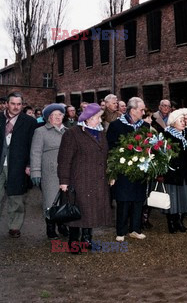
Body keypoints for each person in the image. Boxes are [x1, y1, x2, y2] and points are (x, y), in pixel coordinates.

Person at [57, 103, 112, 254]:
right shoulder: (72, 133)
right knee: (77, 211)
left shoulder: (100, 133)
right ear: (88, 118)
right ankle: (73, 243)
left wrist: (110, 174)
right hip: (80, 179)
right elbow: (64, 159)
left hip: (97, 179)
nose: (100, 121)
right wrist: (64, 180)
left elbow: (105, 155)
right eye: (98, 118)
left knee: (91, 211)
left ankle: (87, 240)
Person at [107, 97, 149, 241]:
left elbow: (148, 145)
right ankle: (121, 230)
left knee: (138, 199)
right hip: (123, 168)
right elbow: (111, 147)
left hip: (140, 168)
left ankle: (135, 229)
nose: (143, 112)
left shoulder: (145, 126)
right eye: (141, 110)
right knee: (123, 200)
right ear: (132, 110)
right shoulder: (116, 125)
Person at [0, 92, 37, 238]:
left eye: (19, 104)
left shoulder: (29, 122)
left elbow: (33, 146)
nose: (16, 107)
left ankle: (14, 226)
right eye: (13, 103)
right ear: (7, 104)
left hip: (18, 164)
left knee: (16, 198)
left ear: (22, 105)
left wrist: (29, 164)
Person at [30, 104, 69, 239]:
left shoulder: (68, 131)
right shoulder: (40, 132)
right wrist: (35, 172)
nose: (58, 117)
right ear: (48, 118)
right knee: (50, 201)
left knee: (65, 200)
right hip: (49, 172)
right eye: (55, 115)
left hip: (66, 172)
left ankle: (62, 224)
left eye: (60, 115)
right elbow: (35, 153)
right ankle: (50, 227)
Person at [162, 110, 187, 233]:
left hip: (184, 173)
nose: (184, 123)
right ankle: (171, 222)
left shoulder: (186, 136)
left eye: (184, 120)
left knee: (182, 198)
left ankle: (179, 221)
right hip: (172, 173)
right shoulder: (167, 136)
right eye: (181, 121)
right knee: (172, 198)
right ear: (173, 122)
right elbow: (163, 155)